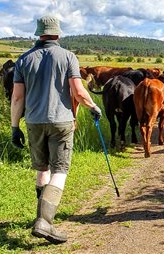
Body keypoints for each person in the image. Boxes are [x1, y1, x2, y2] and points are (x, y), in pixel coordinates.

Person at [10, 14, 102, 244]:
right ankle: (45, 222)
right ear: (57, 33)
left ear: (39, 33)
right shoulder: (68, 57)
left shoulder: (23, 60)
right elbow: (78, 92)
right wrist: (93, 107)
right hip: (61, 122)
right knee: (60, 171)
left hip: (34, 122)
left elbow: (17, 98)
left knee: (42, 170)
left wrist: (14, 127)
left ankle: (40, 218)